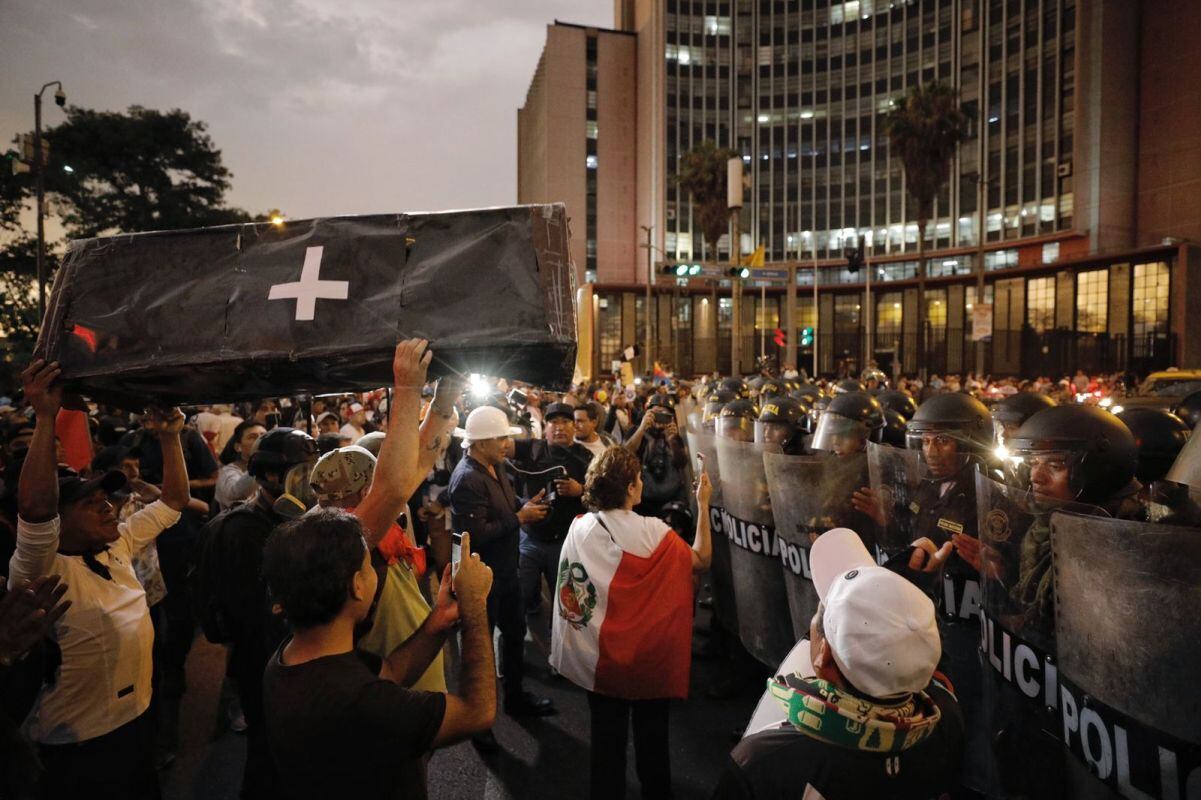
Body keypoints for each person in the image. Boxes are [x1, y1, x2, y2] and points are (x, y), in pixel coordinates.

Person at [12, 359, 191, 799]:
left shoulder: (119, 544)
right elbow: (35, 511)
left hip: (138, 722)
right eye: (92, 504)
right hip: (79, 746)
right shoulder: (42, 568)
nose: (109, 507)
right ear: (60, 523)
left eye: (106, 498)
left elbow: (173, 501)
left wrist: (170, 437)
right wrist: (45, 418)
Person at [713, 528, 963, 800]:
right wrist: (910, 596)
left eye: (820, 611)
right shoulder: (946, 717)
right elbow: (928, 671)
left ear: (824, 657)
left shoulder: (762, 761)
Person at [262, 514, 496, 800]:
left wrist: (439, 620)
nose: (375, 571)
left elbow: (390, 670)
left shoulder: (289, 659)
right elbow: (477, 712)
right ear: (356, 586)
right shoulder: (363, 703)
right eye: (368, 565)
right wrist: (474, 606)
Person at [552, 446, 713, 799]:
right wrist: (703, 505)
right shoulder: (655, 532)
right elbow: (700, 559)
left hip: (600, 661)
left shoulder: (580, 528)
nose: (641, 483)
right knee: (653, 743)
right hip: (646, 662)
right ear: (629, 488)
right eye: (638, 478)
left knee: (605, 744)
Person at [448, 405, 558, 751]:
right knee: (478, 651)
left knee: (513, 636)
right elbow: (475, 535)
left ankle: (514, 697)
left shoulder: (494, 466)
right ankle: (477, 720)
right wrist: (520, 518)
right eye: (498, 438)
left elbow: (508, 504)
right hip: (483, 580)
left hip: (505, 573)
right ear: (479, 443)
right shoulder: (467, 479)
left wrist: (527, 503)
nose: (505, 444)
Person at [510, 402, 594, 624]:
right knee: (522, 594)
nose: (559, 427)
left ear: (574, 427)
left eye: (565, 421)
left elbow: (600, 497)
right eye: (553, 422)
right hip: (529, 538)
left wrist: (581, 490)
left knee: (562, 602)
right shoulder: (532, 448)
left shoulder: (585, 458)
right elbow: (500, 447)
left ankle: (554, 643)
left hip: (564, 543)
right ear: (545, 427)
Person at [215, 419, 267, 510]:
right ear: (238, 447)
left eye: (264, 436)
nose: (260, 440)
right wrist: (260, 459)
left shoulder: (270, 468)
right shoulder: (228, 471)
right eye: (252, 437)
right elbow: (236, 493)